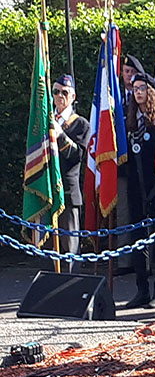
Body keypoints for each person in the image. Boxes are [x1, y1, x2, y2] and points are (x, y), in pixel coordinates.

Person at [123, 73, 155, 309]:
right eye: (135, 89)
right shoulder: (130, 122)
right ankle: (141, 289)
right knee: (138, 241)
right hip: (136, 191)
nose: (138, 92)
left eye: (142, 88)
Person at [50, 74, 90, 269]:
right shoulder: (45, 122)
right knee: (48, 249)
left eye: (64, 92)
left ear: (73, 96)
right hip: (47, 192)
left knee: (70, 249)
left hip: (68, 192)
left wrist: (60, 134)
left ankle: (72, 292)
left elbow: (77, 156)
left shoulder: (80, 124)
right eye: (56, 92)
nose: (59, 96)